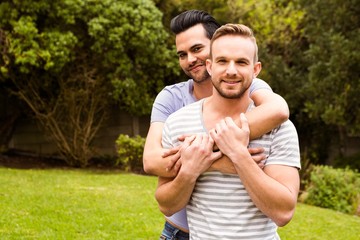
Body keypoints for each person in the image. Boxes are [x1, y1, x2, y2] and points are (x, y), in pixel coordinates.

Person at [143, 10, 289, 239]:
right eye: (182, 54)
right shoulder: (172, 100)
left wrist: (215, 147)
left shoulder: (249, 85)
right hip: (179, 229)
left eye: (197, 49)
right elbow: (151, 161)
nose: (190, 59)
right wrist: (213, 161)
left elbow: (278, 111)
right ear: (213, 63)